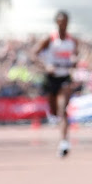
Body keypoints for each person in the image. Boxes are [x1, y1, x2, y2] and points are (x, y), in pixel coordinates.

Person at [34, 10, 79, 157]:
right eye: (60, 22)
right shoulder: (50, 39)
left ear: (67, 23)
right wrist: (46, 66)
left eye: (65, 22)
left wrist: (74, 61)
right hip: (51, 78)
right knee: (54, 112)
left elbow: (75, 58)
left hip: (65, 78)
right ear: (56, 23)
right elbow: (34, 54)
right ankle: (60, 130)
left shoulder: (72, 41)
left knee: (62, 109)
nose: (62, 25)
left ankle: (64, 142)